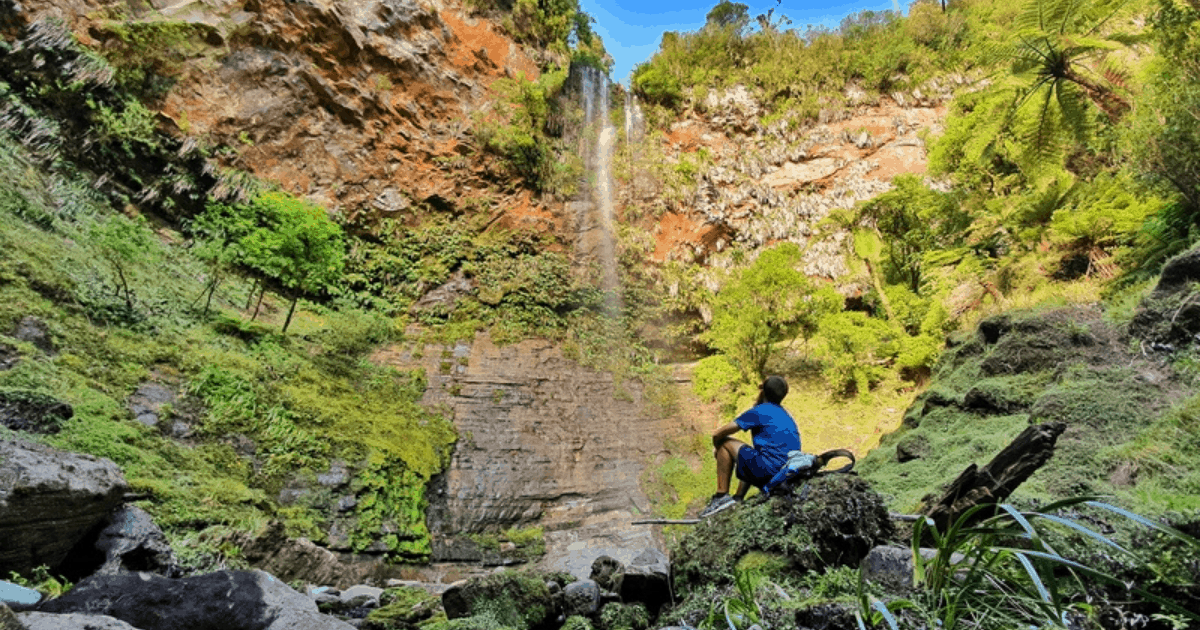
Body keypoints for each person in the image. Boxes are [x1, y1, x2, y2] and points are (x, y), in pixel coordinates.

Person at [699, 375, 800, 518]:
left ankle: (721, 497)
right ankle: (738, 498)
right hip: (785, 475)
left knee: (725, 443)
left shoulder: (760, 411)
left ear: (763, 391)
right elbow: (751, 460)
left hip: (768, 471)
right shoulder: (785, 415)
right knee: (752, 455)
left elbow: (719, 434)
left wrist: (717, 448)